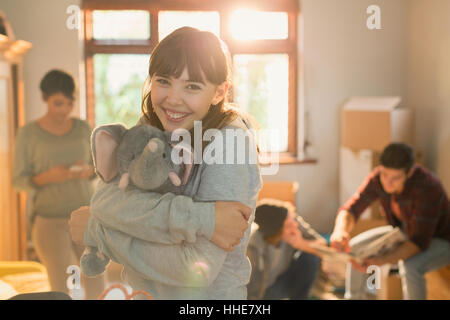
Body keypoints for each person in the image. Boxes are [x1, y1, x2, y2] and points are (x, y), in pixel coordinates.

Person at [69, 27, 262, 299]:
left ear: (219, 92)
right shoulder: (151, 126)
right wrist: (203, 219)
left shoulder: (230, 143)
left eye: (192, 86)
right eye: (163, 81)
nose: (172, 98)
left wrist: (99, 233)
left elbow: (194, 268)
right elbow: (104, 200)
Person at [12, 69, 105, 299]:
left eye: (69, 103)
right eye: (58, 103)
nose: (65, 110)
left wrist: (89, 171)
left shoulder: (83, 128)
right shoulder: (28, 134)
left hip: (85, 216)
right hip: (49, 222)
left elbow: (100, 169)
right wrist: (49, 176)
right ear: (45, 99)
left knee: (97, 284)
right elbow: (19, 181)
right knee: (62, 288)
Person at [330, 143, 450, 299]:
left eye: (395, 178)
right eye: (385, 174)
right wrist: (340, 231)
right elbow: (351, 209)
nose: (387, 182)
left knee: (410, 266)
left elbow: (418, 242)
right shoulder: (378, 178)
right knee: (356, 248)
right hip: (405, 232)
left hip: (441, 239)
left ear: (409, 173)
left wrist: (381, 260)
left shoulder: (427, 187)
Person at [247, 199, 326, 300]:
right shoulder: (255, 244)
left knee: (310, 258)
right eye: (288, 225)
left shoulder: (291, 220)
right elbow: (254, 283)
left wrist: (300, 243)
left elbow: (323, 246)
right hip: (267, 287)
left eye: (293, 220)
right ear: (276, 232)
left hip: (286, 274)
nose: (295, 225)